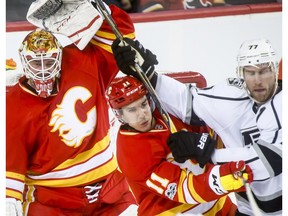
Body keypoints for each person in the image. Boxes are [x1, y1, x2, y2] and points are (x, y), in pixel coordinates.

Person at [111, 38, 282, 215]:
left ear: (275, 71)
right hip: (236, 208)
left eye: (264, 72)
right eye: (250, 73)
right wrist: (150, 75)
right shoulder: (231, 95)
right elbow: (187, 101)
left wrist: (210, 154)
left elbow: (270, 160)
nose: (258, 81)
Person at [6, 2, 138, 215]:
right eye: (36, 64)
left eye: (48, 62)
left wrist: (96, 8)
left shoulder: (81, 60)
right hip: (54, 200)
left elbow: (122, 35)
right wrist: (9, 201)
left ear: (59, 57)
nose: (42, 71)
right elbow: (11, 168)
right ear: (24, 61)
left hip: (110, 190)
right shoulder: (13, 105)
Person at [106, 75, 254, 215]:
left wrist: (205, 142)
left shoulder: (165, 112)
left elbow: (211, 127)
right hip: (171, 210)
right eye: (132, 110)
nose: (142, 114)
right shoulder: (132, 152)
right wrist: (224, 178)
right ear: (119, 115)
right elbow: (181, 189)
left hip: (214, 203)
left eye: (143, 104)